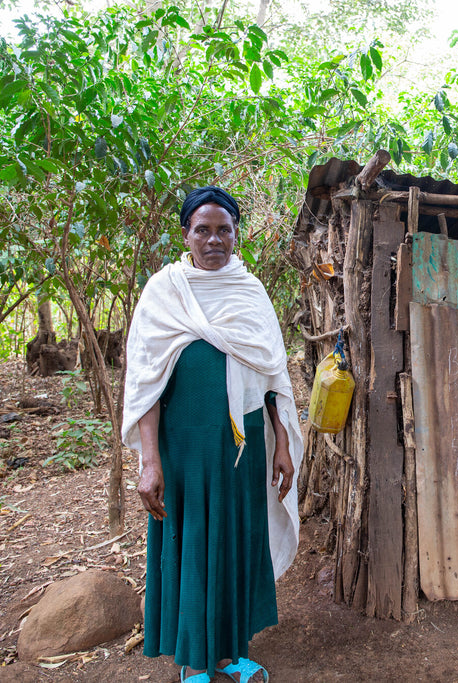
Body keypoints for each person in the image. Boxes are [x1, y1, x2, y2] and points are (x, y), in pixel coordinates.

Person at [122, 186, 302, 683]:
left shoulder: (251, 292)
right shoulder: (164, 292)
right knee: (193, 543)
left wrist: (283, 444)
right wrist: (150, 462)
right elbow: (146, 386)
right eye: (203, 229)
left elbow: (271, 379)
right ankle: (195, 663)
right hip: (185, 449)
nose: (214, 239)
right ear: (187, 235)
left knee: (238, 541)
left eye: (224, 229)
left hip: (242, 449)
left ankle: (230, 653)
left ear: (236, 234)